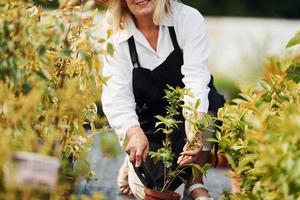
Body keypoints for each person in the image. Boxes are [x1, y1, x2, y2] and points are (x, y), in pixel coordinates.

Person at [101, 0, 224, 199]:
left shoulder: (187, 19)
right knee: (156, 191)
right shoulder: (116, 29)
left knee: (211, 101)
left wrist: (195, 130)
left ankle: (195, 182)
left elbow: (196, 80)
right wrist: (132, 133)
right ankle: (132, 162)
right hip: (147, 123)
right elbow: (116, 95)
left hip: (183, 112)